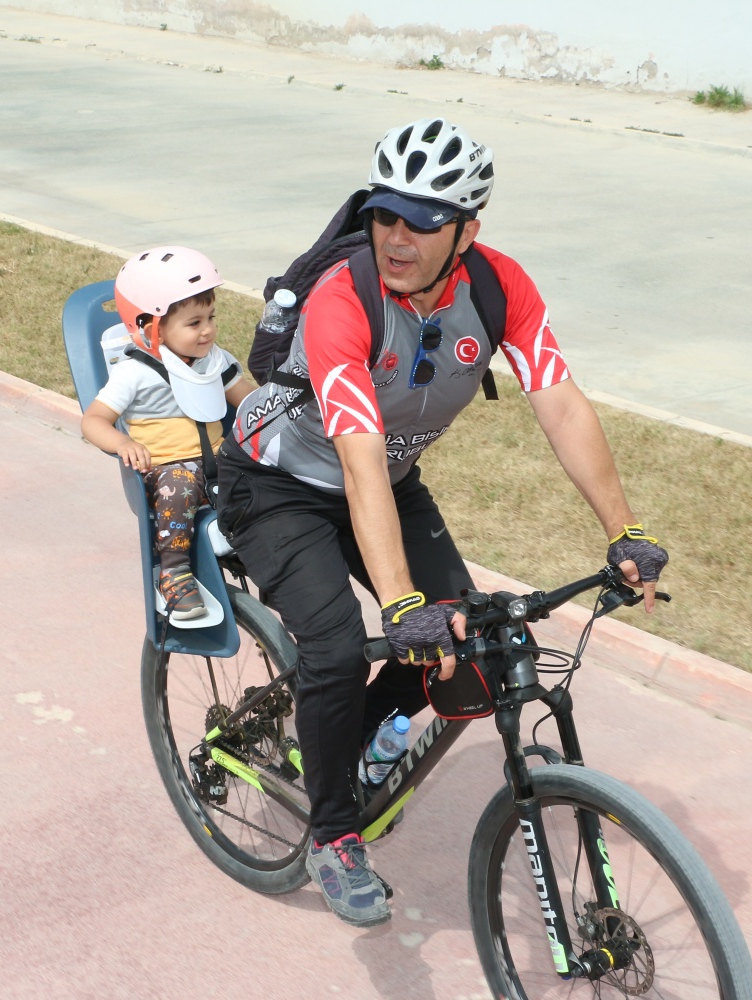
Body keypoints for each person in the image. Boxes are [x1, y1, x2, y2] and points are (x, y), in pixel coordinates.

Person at [216, 118, 669, 926]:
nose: (396, 237)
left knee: (475, 650)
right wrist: (397, 603)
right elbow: (354, 454)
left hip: (387, 481)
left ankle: (334, 740)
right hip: (279, 482)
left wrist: (622, 532)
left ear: (466, 231)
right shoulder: (342, 298)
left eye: (421, 223)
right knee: (335, 644)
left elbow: (560, 403)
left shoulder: (498, 289)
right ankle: (332, 835)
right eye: (384, 215)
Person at [82, 247, 254, 622]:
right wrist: (123, 443)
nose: (208, 329)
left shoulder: (214, 361)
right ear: (150, 328)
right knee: (178, 485)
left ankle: (262, 552)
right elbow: (93, 420)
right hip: (165, 470)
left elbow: (250, 404)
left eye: (211, 317)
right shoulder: (134, 373)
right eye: (194, 323)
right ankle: (174, 575)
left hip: (216, 461)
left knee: (264, 473)